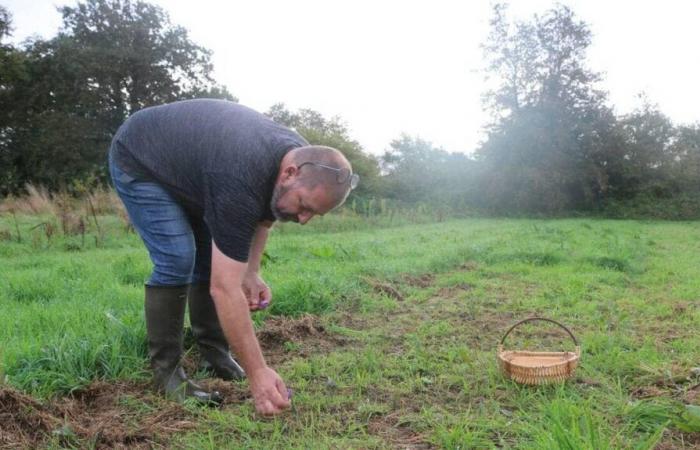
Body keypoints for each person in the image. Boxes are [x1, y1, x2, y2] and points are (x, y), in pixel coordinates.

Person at [108, 99, 358, 416]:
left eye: (314, 214)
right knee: (178, 258)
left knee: (209, 261)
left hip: (196, 169)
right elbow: (224, 288)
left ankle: (214, 356)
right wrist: (259, 374)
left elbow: (269, 212)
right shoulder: (241, 175)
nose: (304, 219)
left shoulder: (298, 158)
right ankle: (167, 374)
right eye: (305, 206)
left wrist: (251, 271)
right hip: (141, 158)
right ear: (290, 173)